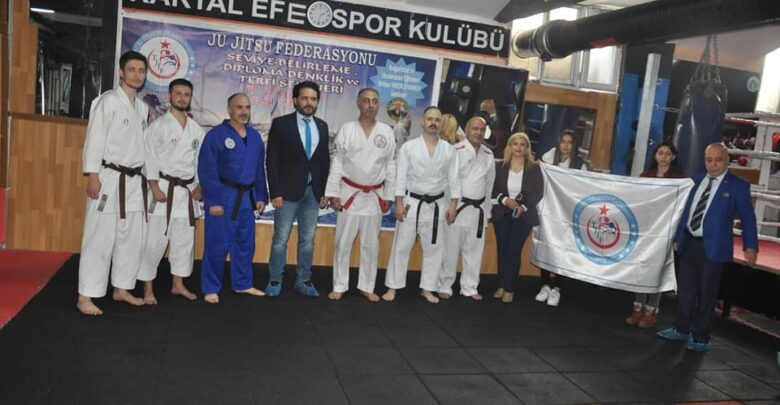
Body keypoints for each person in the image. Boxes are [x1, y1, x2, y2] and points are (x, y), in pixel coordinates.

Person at [657, 143, 758, 352]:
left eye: (718, 160)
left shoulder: (737, 185)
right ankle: (681, 329)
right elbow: (685, 212)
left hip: (714, 247)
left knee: (706, 294)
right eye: (709, 160)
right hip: (689, 242)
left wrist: (750, 245)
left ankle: (701, 338)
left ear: (727, 160)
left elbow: (748, 218)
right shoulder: (695, 181)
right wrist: (679, 236)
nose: (713, 164)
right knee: (684, 291)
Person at [76, 51, 150, 316]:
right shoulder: (107, 101)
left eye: (141, 71)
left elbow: (141, 147)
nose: (137, 75)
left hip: (134, 181)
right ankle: (86, 295)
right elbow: (94, 139)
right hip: (109, 178)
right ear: (121, 72)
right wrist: (93, 175)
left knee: (130, 238)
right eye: (132, 70)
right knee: (99, 237)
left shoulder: (142, 108)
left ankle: (121, 287)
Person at [383, 106, 460, 304]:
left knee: (434, 249)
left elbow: (454, 180)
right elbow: (400, 177)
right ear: (422, 121)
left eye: (437, 119)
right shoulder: (409, 147)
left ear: (441, 123)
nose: (433, 123)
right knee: (401, 246)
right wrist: (399, 203)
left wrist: (453, 205)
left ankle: (427, 288)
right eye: (430, 119)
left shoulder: (449, 150)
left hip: (436, 205)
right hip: (412, 202)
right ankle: (392, 286)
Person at [137, 78, 204, 304]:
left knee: (184, 241)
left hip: (186, 192)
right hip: (163, 189)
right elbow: (148, 157)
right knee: (154, 242)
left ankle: (178, 284)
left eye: (186, 94)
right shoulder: (158, 126)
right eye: (178, 94)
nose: (182, 98)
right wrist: (154, 186)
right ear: (170, 96)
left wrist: (199, 186)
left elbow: (199, 162)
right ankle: (147, 288)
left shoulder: (196, 130)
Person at [325, 88, 396, 302]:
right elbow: (337, 162)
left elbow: (391, 164)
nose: (371, 105)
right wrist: (333, 192)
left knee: (370, 245)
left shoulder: (386, 131)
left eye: (374, 101)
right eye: (366, 101)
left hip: (374, 195)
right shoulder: (347, 129)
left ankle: (366, 286)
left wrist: (389, 194)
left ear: (378, 104)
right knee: (343, 243)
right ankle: (339, 285)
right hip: (349, 193)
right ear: (358, 103)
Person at [197, 93, 268, 304]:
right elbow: (207, 169)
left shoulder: (255, 137)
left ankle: (243, 283)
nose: (244, 111)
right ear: (229, 110)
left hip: (247, 198)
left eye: (247, 107)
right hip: (223, 195)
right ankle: (211, 287)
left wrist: (261, 196)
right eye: (239, 107)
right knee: (217, 244)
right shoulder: (216, 135)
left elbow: (259, 169)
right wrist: (213, 201)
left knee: (245, 244)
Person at [266, 81, 330, 297]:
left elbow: (324, 162)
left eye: (313, 99)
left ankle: (303, 280)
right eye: (305, 98)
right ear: (295, 100)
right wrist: (275, 192)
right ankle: (275, 279)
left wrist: (323, 192)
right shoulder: (281, 124)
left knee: (307, 240)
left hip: (313, 193)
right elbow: (271, 161)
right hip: (286, 193)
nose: (309, 102)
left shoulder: (322, 126)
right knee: (280, 239)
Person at [625, 141, 683, 329]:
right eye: (660, 153)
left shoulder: (679, 180)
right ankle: (637, 308)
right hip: (645, 229)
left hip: (665, 231)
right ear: (655, 156)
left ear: (673, 157)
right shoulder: (645, 176)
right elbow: (637, 201)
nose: (664, 157)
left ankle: (651, 311)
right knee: (641, 268)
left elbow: (681, 208)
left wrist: (676, 236)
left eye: (668, 154)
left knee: (657, 270)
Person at [437, 116, 495, 300]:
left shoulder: (488, 154)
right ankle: (445, 284)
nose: (478, 132)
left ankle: (470, 287)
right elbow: (448, 182)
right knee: (450, 249)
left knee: (474, 250)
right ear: (467, 130)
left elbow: (489, 186)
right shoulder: (456, 150)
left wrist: (487, 212)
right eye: (475, 129)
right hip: (457, 207)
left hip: (478, 210)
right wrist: (449, 207)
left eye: (482, 129)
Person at [536, 130, 588, 306]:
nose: (565, 145)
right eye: (563, 141)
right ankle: (545, 285)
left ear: (575, 145)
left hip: (567, 214)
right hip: (548, 210)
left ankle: (557, 288)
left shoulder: (580, 165)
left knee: (562, 250)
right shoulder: (549, 159)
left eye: (569, 142)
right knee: (546, 246)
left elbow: (582, 189)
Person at [492, 132, 543, 304]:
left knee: (514, 249)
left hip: (524, 216)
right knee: (503, 249)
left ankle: (510, 288)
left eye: (522, 144)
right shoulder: (500, 166)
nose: (518, 148)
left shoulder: (534, 168)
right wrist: (505, 200)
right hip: (502, 213)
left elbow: (538, 192)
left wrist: (523, 207)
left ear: (527, 148)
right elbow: (493, 189)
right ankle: (501, 285)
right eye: (515, 144)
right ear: (509, 146)